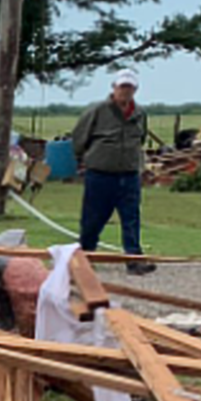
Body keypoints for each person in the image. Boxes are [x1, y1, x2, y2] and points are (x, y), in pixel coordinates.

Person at [74, 68, 155, 276]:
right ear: (114, 87)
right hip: (100, 174)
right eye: (122, 87)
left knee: (131, 218)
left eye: (129, 88)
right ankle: (85, 256)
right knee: (93, 218)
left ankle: (134, 259)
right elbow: (79, 139)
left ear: (135, 89)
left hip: (128, 175)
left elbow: (141, 139)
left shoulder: (140, 114)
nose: (125, 92)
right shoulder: (97, 111)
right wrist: (83, 161)